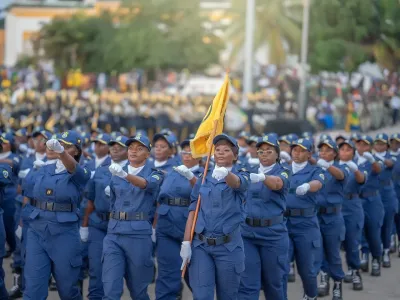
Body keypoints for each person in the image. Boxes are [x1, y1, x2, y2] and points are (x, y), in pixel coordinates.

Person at [180, 134, 250, 300]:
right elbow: (193, 210)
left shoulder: (243, 174)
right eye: (217, 149)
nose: (220, 153)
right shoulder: (204, 177)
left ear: (235, 156)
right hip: (201, 246)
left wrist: (226, 173)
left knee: (228, 296)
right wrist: (186, 242)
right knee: (202, 295)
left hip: (228, 247)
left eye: (226, 150)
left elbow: (238, 183)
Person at [23, 130, 90, 299]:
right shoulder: (44, 168)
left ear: (76, 150)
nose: (60, 147)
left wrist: (61, 152)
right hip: (37, 229)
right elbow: (29, 196)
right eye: (59, 144)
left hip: (64, 232)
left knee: (67, 290)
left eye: (66, 145)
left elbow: (75, 170)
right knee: (33, 289)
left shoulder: (81, 171)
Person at [101, 134, 164, 300]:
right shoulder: (117, 173)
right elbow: (113, 202)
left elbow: (147, 184)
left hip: (137, 235)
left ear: (148, 154)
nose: (133, 151)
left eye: (139, 148)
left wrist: (124, 175)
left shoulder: (155, 172)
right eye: (130, 148)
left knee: (138, 290)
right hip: (114, 233)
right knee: (110, 288)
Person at [238, 135, 290, 300]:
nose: (265, 154)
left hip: (272, 234)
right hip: (248, 234)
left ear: (277, 154)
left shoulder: (283, 171)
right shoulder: (248, 169)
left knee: (274, 283)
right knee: (247, 284)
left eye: (269, 151)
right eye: (261, 151)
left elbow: (277, 184)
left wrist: (262, 177)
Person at [155, 139, 203, 300]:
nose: (187, 155)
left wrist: (191, 177)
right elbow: (159, 198)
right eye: (184, 151)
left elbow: (205, 195)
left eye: (191, 152)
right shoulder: (173, 171)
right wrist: (153, 227)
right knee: (167, 274)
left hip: (191, 230)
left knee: (196, 278)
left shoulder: (206, 172)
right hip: (166, 226)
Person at [83, 135, 128, 300]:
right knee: (95, 267)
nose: (115, 149)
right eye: (113, 146)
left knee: (120, 273)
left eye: (120, 146)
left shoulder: (134, 169)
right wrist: (84, 226)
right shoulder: (102, 168)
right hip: (99, 223)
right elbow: (90, 199)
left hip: (122, 225)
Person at [286, 138, 324, 300]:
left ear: (309, 154)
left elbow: (318, 183)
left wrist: (308, 186)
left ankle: (311, 295)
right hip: (284, 223)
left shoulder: (315, 170)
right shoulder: (283, 170)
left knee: (307, 268)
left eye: (302, 150)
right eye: (295, 150)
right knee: (280, 267)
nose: (297, 153)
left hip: (305, 224)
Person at [314, 139, 348, 299]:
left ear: (334, 153)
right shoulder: (314, 169)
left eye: (328, 150)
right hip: (316, 215)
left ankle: (337, 283)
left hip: (333, 217)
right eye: (321, 150)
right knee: (318, 251)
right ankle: (324, 279)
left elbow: (340, 176)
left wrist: (326, 165)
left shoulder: (341, 167)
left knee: (333, 253)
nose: (323, 153)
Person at [338, 140, 365, 291]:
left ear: (353, 153)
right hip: (336, 207)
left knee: (352, 243)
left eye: (349, 150)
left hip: (352, 205)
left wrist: (355, 170)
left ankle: (355, 271)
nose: (345, 152)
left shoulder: (359, 165)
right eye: (342, 149)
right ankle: (328, 277)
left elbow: (361, 180)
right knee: (331, 245)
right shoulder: (333, 166)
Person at [356, 135, 384, 277]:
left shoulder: (376, 160)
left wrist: (372, 160)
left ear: (370, 147)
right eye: (360, 144)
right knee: (360, 232)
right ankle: (365, 255)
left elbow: (378, 169)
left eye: (365, 145)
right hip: (357, 200)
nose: (362, 147)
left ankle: (376, 259)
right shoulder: (353, 161)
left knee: (373, 232)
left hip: (372, 200)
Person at [371, 133, 397, 268]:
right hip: (375, 194)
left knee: (387, 224)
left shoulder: (391, 156)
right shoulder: (370, 158)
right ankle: (375, 252)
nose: (379, 146)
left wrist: (378, 160)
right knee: (374, 225)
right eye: (377, 143)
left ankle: (386, 251)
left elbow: (390, 164)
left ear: (386, 146)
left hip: (387, 194)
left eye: (382, 144)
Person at [0, 132, 20, 259]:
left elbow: (14, 164)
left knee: (9, 223)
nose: (3, 144)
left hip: (10, 193)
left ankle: (13, 247)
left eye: (5, 142)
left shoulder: (14, 156)